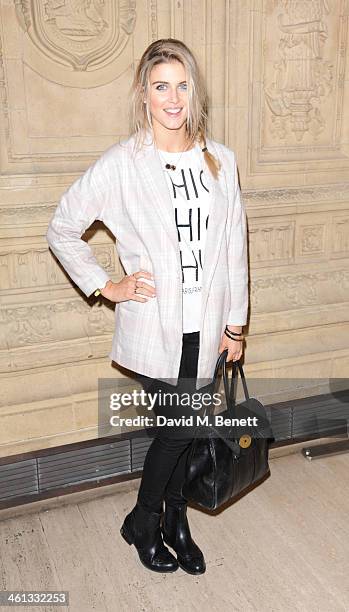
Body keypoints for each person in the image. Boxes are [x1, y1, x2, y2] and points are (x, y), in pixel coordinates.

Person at [46, 38, 248, 576]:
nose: (173, 98)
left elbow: (234, 246)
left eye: (183, 85)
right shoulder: (122, 165)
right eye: (162, 86)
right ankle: (144, 520)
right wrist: (107, 285)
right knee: (181, 430)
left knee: (182, 431)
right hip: (154, 327)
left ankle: (175, 524)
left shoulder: (221, 161)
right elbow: (62, 227)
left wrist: (236, 324)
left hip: (205, 329)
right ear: (144, 94)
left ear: (194, 91)